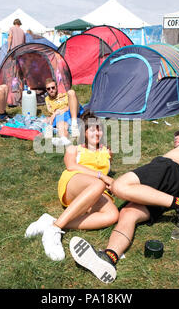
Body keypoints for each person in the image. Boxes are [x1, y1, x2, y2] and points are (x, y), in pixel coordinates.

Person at [69, 64, 179, 284]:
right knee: (128, 215)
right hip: (163, 191)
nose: (176, 138)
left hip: (165, 171)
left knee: (119, 187)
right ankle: (110, 257)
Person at [25, 111, 119, 261]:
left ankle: (53, 222)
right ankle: (54, 231)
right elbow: (71, 166)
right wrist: (103, 177)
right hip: (73, 183)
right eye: (92, 129)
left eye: (99, 129)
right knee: (98, 184)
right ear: (85, 132)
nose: (97, 133)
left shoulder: (107, 152)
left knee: (113, 215)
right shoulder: (74, 149)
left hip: (97, 190)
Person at [44, 78, 83, 146]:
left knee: (71, 92)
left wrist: (61, 110)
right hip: (61, 116)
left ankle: (74, 124)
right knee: (60, 124)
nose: (51, 90)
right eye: (48, 89)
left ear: (56, 87)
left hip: (72, 111)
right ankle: (64, 139)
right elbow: (52, 113)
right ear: (46, 90)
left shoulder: (64, 94)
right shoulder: (47, 99)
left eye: (53, 87)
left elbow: (72, 104)